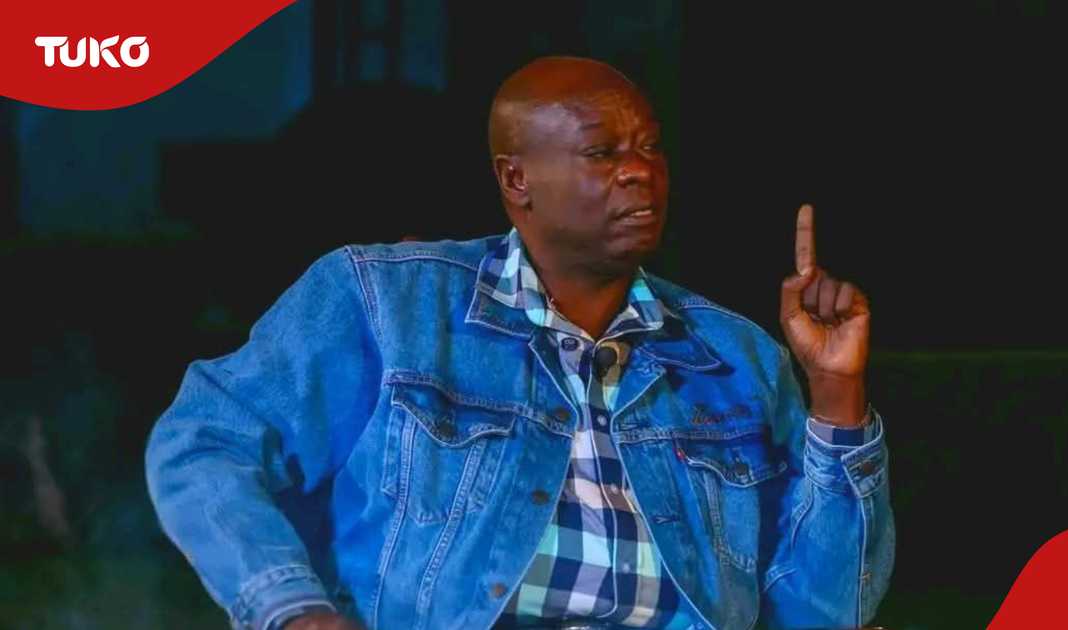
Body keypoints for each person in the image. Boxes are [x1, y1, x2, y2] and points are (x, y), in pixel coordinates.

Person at [145, 56, 893, 630]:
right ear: (516, 179)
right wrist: (293, 610)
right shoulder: (388, 304)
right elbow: (205, 442)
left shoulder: (734, 356)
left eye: (650, 148)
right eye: (602, 153)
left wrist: (837, 395)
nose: (640, 172)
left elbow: (827, 613)